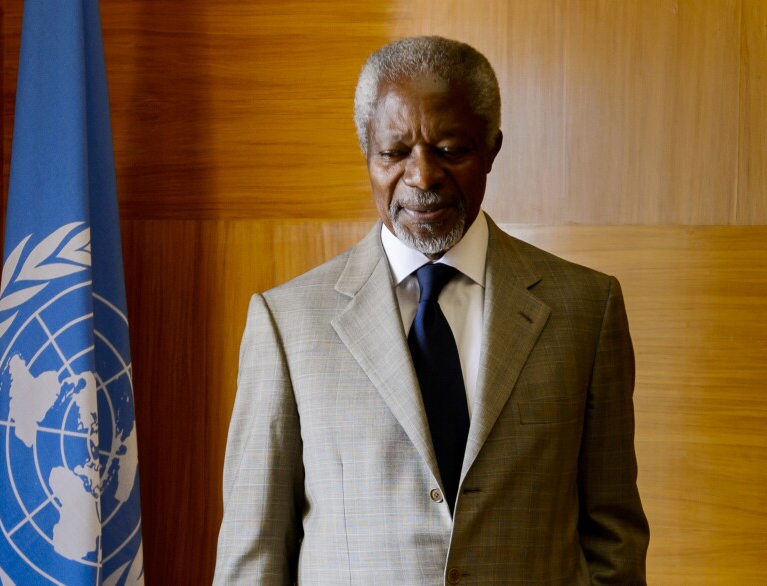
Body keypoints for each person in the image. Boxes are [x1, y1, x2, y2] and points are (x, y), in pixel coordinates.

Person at [214, 36, 649, 585]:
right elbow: (253, 555)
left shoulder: (586, 309)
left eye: (449, 149)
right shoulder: (287, 323)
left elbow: (614, 538)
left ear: (492, 148)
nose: (421, 178)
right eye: (394, 153)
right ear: (367, 152)